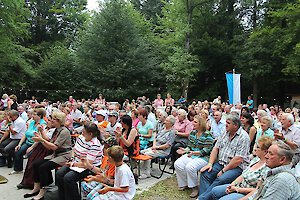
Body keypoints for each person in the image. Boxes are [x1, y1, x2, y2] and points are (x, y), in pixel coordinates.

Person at [198, 114, 250, 200]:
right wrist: (210, 164)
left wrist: (223, 170)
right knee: (205, 173)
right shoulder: (225, 132)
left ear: (235, 125)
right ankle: (205, 197)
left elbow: (238, 160)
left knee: (221, 179)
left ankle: (202, 198)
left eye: (228, 123)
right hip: (222, 163)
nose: (225, 124)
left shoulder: (243, 137)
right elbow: (215, 148)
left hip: (236, 167)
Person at [24, 111, 72, 200]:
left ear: (59, 121)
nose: (51, 120)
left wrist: (41, 140)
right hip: (56, 154)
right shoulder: (56, 130)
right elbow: (50, 146)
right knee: (36, 164)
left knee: (43, 167)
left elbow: (54, 147)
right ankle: (36, 188)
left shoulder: (64, 131)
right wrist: (40, 138)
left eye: (54, 119)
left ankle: (43, 191)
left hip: (64, 155)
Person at [56, 122, 104, 200]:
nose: (82, 132)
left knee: (68, 178)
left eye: (84, 131)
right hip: (76, 162)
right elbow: (74, 150)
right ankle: (63, 197)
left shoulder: (95, 144)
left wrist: (73, 164)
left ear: (90, 134)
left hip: (88, 167)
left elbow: (87, 163)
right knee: (59, 174)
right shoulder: (81, 137)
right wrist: (72, 159)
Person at [174, 115, 214, 198]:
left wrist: (194, 153)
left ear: (201, 124)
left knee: (190, 167)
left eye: (195, 122)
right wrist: (185, 150)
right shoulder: (192, 133)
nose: (193, 123)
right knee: (177, 164)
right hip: (192, 154)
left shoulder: (208, 135)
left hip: (203, 158)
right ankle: (185, 183)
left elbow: (207, 150)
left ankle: (194, 187)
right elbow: (189, 146)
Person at [17, 115, 55, 189]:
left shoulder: (53, 130)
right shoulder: (46, 128)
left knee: (36, 163)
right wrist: (32, 147)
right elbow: (39, 139)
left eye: (50, 120)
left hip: (46, 148)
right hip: (40, 146)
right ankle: (29, 182)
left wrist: (41, 132)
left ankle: (33, 183)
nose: (48, 121)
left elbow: (46, 139)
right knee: (31, 160)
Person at [11, 108, 47, 175]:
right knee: (18, 151)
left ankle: (30, 172)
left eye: (34, 114)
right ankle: (18, 169)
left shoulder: (43, 124)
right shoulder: (32, 122)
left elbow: (40, 138)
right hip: (28, 142)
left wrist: (32, 147)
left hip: (36, 144)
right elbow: (25, 133)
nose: (32, 116)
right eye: (32, 114)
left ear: (40, 116)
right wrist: (19, 144)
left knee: (30, 154)